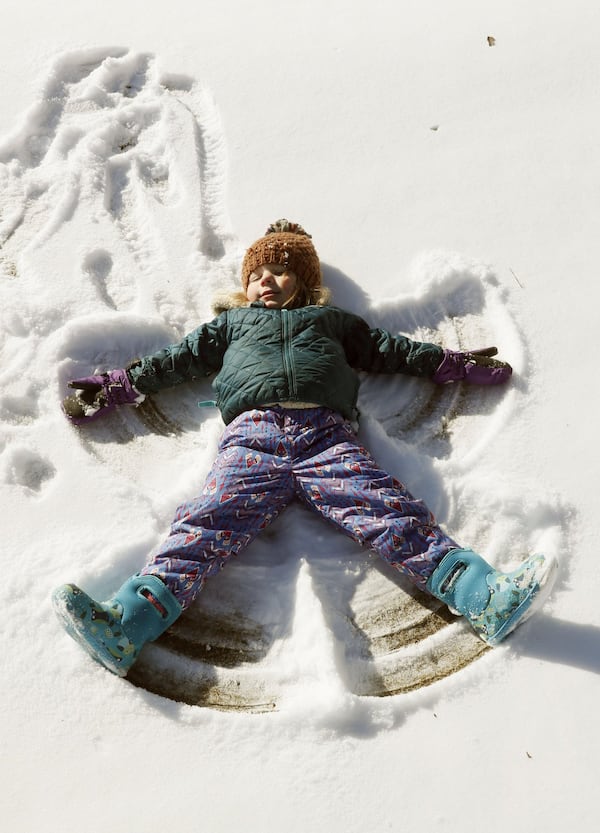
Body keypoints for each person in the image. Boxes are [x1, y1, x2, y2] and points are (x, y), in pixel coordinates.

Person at [53, 220, 557, 678]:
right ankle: (126, 626)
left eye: (280, 271)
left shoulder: (332, 323)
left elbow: (390, 350)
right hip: (253, 439)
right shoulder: (231, 326)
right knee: (206, 522)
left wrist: (451, 365)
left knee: (389, 513)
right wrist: (118, 387)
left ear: (306, 283)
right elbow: (175, 361)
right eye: (258, 274)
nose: (267, 280)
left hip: (326, 438)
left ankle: (482, 597)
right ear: (244, 285)